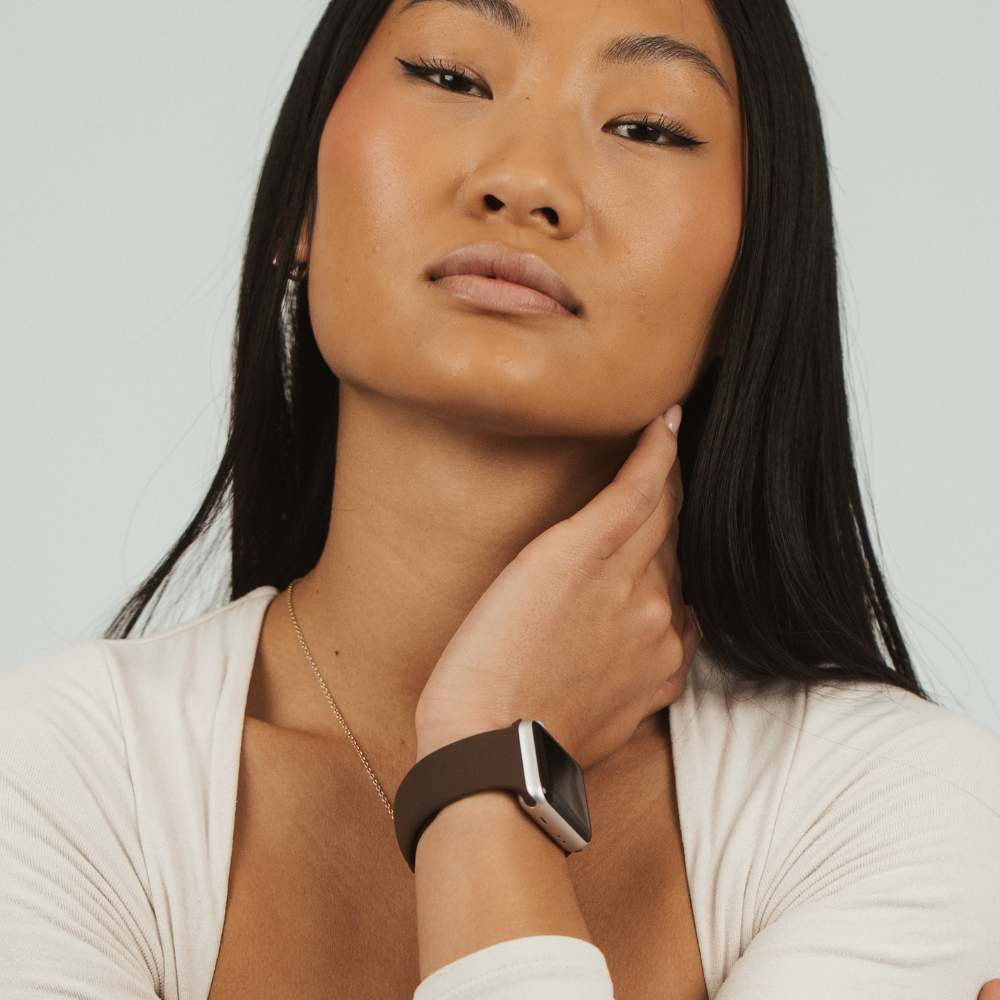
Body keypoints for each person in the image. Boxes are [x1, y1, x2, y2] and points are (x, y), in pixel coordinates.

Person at [2, 0, 998, 997]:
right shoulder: (53, 782)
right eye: (450, 76)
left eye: (646, 127)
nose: (525, 181)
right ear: (301, 193)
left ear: (754, 278)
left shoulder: (889, 803)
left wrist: (487, 770)